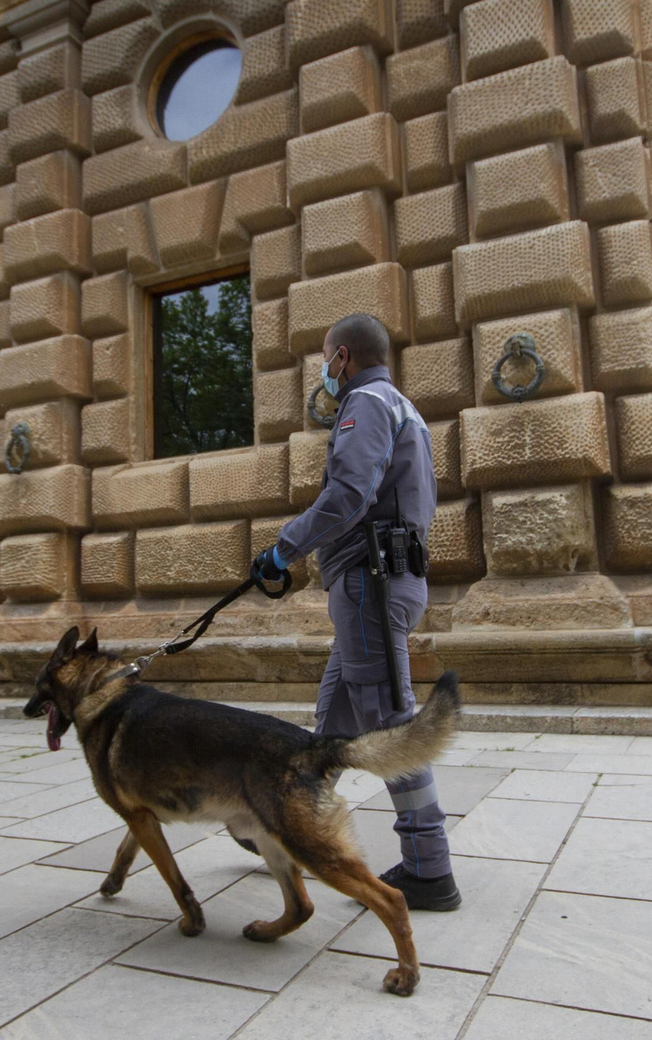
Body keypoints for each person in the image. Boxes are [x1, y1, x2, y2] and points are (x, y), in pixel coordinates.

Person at [250, 312, 460, 911]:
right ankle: (296, 837)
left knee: (394, 726)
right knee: (333, 724)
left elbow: (348, 494)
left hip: (370, 583)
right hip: (384, 579)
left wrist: (282, 548)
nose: (324, 370)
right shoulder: (405, 407)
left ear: (342, 357)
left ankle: (429, 866)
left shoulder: (365, 403)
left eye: (325, 357)